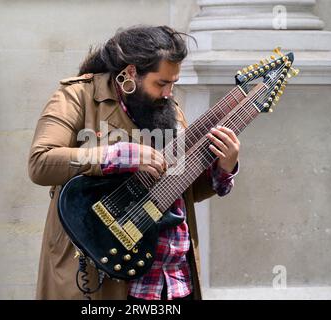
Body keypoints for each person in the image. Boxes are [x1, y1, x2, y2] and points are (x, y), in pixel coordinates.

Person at [28, 25, 240, 300]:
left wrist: (223, 169)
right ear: (130, 73)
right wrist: (114, 156)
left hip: (174, 279)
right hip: (110, 279)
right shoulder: (77, 96)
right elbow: (40, 162)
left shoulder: (171, 111)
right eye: (161, 83)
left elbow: (180, 191)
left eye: (173, 83)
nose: (169, 92)